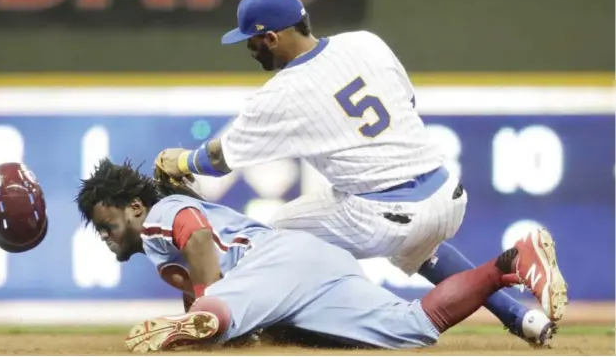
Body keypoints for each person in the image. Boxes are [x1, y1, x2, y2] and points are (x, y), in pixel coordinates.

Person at [152, 0, 567, 346]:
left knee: (276, 237)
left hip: (384, 214)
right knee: (418, 247)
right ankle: (524, 318)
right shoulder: (367, 42)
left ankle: (243, 321)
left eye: (252, 40)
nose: (248, 47)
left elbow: (221, 160)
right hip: (445, 193)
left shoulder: (283, 93)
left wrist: (181, 159)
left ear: (272, 37)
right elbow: (407, 103)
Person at [75, 159, 566, 352]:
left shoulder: (160, 215)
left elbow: (197, 237)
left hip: (274, 262)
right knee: (410, 328)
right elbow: (206, 265)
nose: (105, 234)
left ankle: (213, 323)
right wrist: (207, 315)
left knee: (218, 320)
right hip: (308, 267)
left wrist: (208, 308)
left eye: (107, 224)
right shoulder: (165, 242)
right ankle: (510, 265)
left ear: (134, 207)